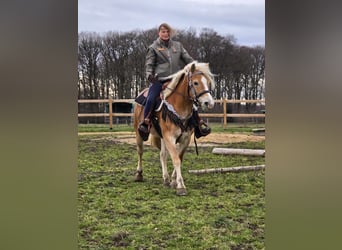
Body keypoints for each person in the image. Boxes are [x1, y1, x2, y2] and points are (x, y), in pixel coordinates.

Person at [138, 23, 211, 141]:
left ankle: (198, 124)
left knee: (191, 97)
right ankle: (145, 122)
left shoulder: (178, 46)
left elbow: (188, 59)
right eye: (163, 32)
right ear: (159, 33)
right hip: (159, 80)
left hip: (176, 79)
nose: (166, 34)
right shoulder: (153, 48)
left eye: (167, 32)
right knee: (151, 98)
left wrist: (197, 67)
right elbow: (149, 64)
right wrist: (149, 76)